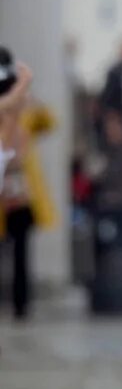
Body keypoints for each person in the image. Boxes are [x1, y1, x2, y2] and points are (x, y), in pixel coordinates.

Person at [0, 54, 51, 322]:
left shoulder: (25, 118)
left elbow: (49, 121)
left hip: (21, 196)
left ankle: (21, 306)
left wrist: (29, 96)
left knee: (21, 254)